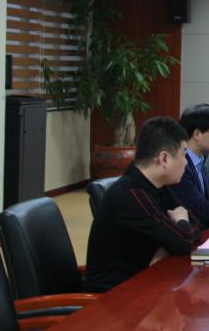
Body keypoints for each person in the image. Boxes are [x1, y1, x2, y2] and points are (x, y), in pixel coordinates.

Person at [84, 117, 201, 292]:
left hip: (142, 281)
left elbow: (196, 225)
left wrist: (169, 243)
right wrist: (180, 224)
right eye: (184, 154)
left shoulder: (157, 184)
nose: (186, 162)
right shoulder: (131, 194)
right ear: (164, 158)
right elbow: (184, 242)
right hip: (114, 296)